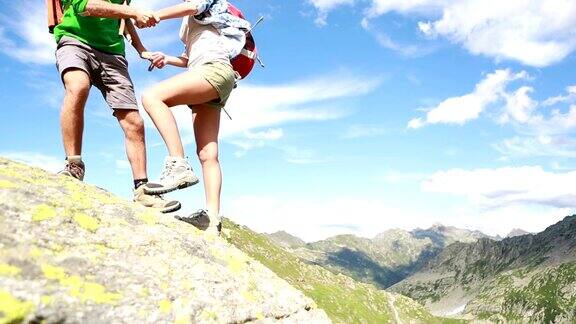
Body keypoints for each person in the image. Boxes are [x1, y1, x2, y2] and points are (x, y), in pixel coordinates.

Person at [53, 0, 180, 213]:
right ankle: (73, 166)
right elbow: (84, 7)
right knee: (78, 86)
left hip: (113, 54)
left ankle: (142, 191)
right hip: (75, 40)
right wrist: (134, 12)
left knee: (134, 121)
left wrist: (141, 50)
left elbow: (124, 19)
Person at [140, 0, 251, 234]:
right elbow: (189, 57)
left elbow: (193, 6)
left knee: (152, 97)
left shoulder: (200, 3)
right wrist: (166, 58)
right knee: (208, 154)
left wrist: (155, 16)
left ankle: (178, 163)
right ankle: (212, 219)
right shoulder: (186, 25)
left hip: (214, 70)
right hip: (210, 73)